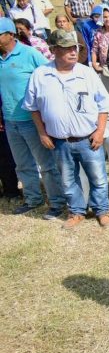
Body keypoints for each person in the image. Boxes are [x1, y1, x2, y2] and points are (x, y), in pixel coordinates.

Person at [25, 29, 109, 229]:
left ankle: (102, 210)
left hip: (88, 139)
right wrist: (42, 132)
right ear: (54, 50)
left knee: (98, 177)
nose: (73, 52)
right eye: (67, 48)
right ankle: (76, 211)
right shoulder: (41, 75)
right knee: (67, 180)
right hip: (60, 142)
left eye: (75, 48)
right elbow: (33, 108)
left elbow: (103, 106)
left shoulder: (87, 73)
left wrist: (100, 131)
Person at [0, 17, 66, 219]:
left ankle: (57, 201)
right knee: (23, 165)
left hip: (32, 121)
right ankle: (33, 198)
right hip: (10, 121)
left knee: (46, 164)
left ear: (10, 35)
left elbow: (50, 76)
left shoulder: (29, 54)